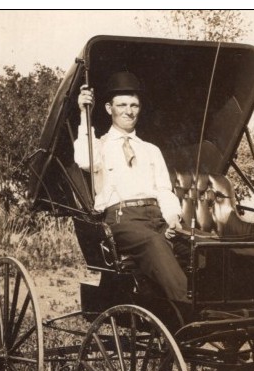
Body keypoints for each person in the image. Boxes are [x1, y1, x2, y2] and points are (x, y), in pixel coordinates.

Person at [74, 71, 189, 304]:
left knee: (202, 245)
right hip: (121, 221)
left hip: (157, 218)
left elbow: (164, 190)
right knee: (153, 242)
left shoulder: (151, 149)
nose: (129, 111)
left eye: (134, 105)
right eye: (122, 105)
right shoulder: (99, 146)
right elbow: (86, 161)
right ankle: (187, 311)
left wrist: (173, 218)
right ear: (109, 109)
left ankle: (225, 310)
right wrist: (84, 115)